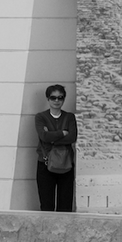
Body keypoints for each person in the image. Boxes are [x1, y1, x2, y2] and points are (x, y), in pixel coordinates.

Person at [34, 84, 77, 213]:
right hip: (45, 163)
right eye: (53, 97)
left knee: (65, 206)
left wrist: (52, 138)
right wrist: (62, 133)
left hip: (66, 163)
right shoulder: (41, 117)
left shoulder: (69, 117)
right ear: (48, 99)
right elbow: (43, 136)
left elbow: (72, 137)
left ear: (64, 99)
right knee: (46, 205)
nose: (57, 101)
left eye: (60, 97)